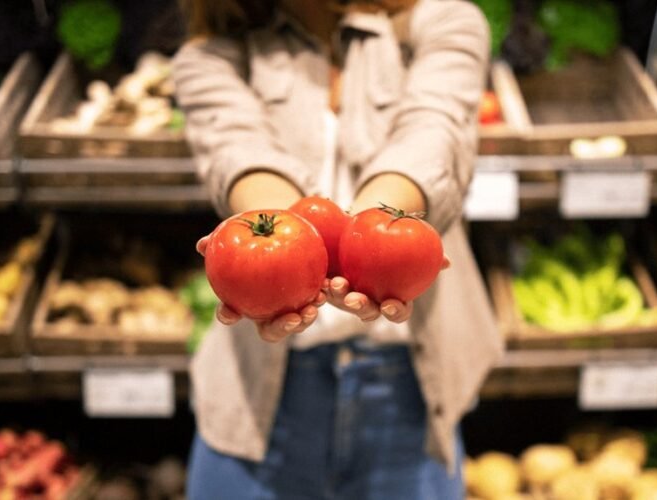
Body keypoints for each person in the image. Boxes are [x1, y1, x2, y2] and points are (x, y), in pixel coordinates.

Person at [173, 0, 503, 497]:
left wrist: (373, 229)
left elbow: (433, 131)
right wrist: (275, 235)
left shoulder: (444, 21)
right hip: (259, 397)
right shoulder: (210, 57)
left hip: (411, 388)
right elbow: (237, 151)